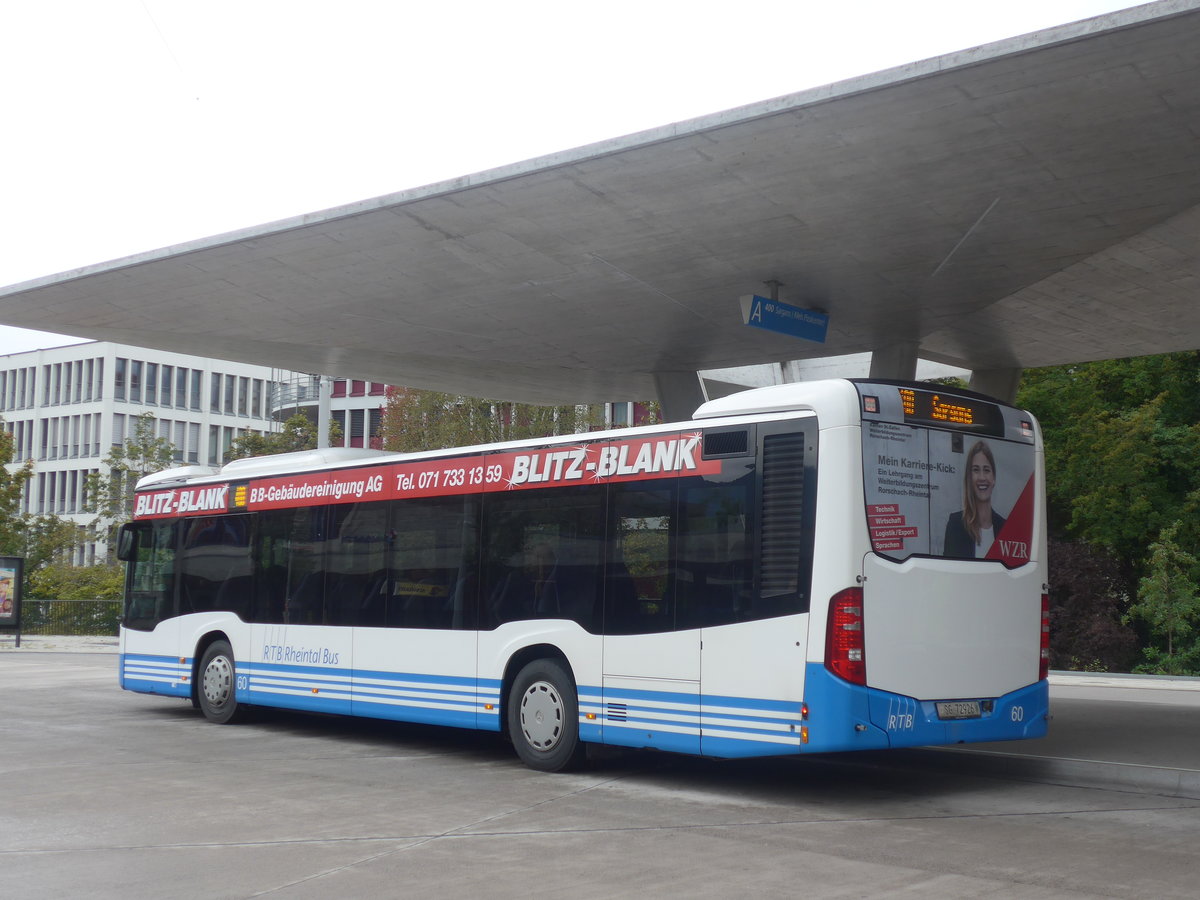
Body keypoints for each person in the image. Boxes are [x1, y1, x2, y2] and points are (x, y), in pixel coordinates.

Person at [944, 440, 1006, 558]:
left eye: (986, 470)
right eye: (976, 470)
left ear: (994, 478)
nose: (982, 477)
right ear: (969, 477)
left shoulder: (1005, 528)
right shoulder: (956, 525)